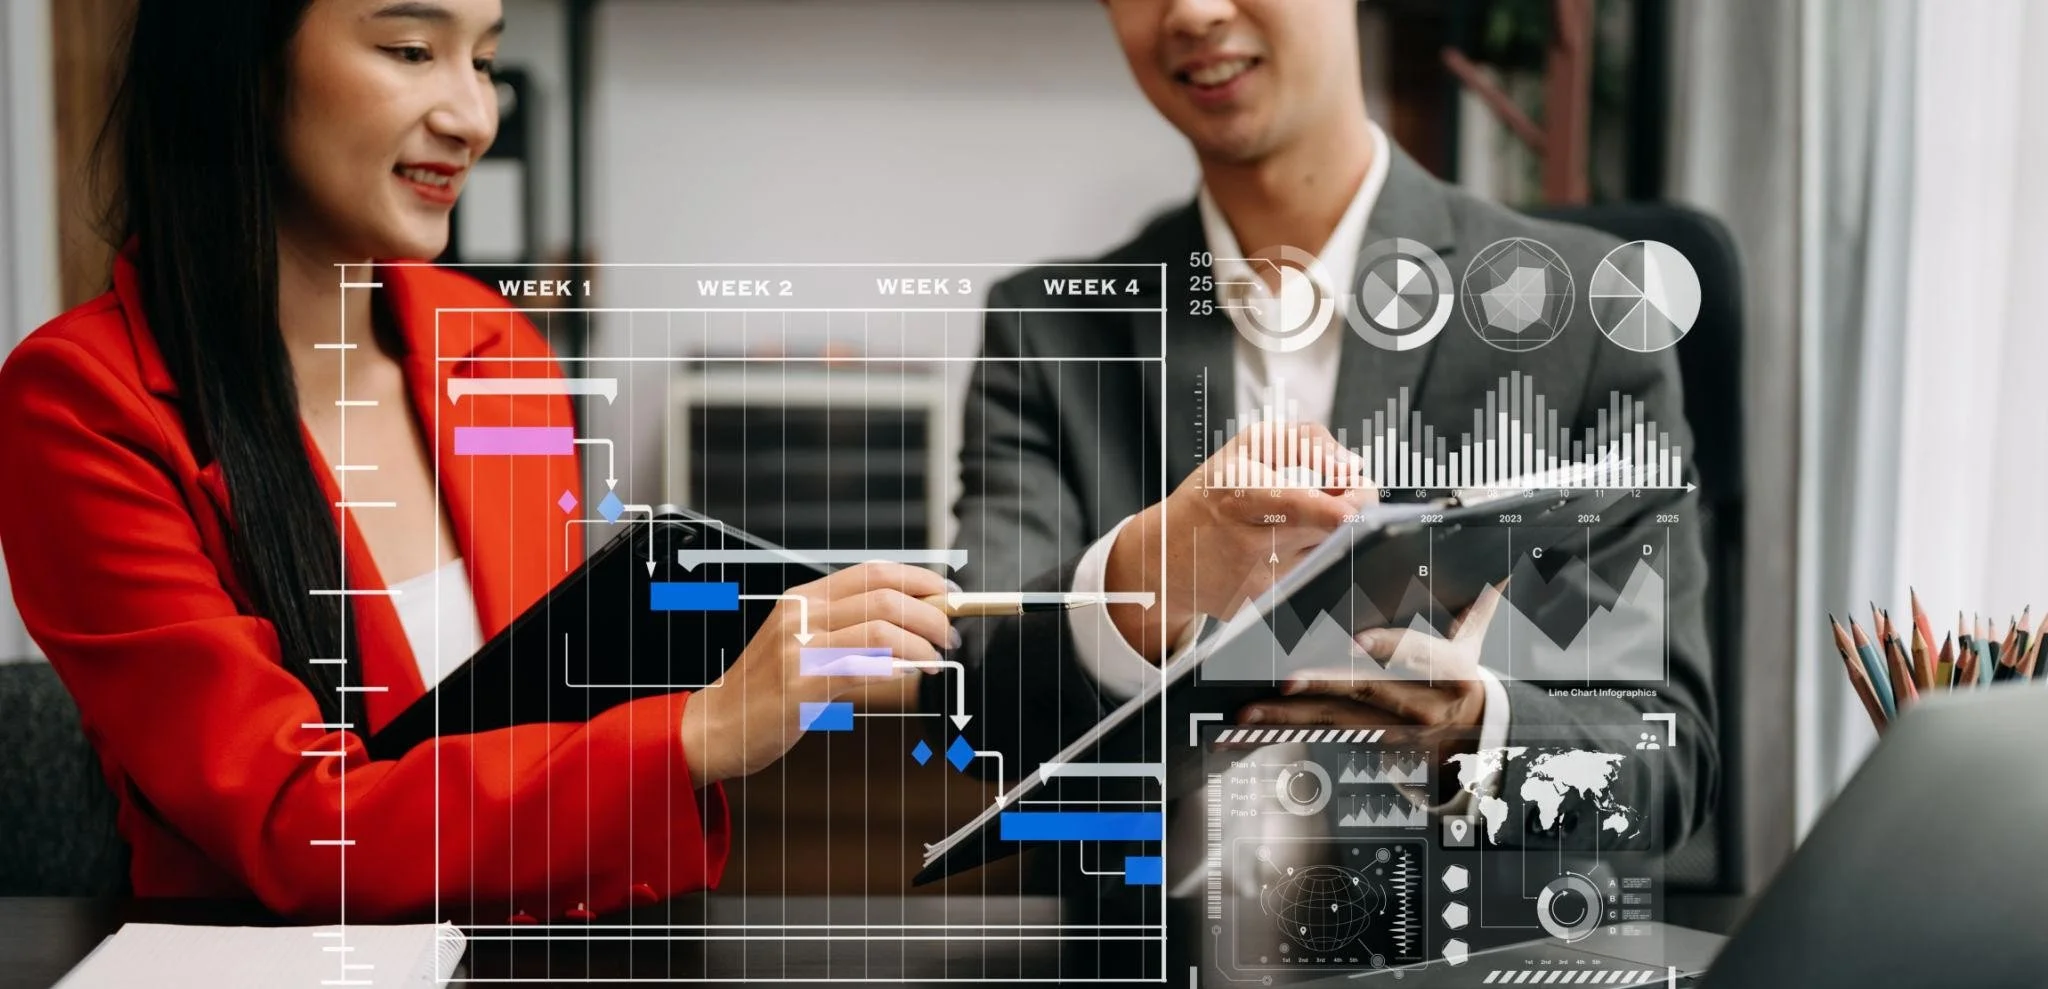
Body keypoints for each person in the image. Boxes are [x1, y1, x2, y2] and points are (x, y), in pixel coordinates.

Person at [0, 0, 949, 922]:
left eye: (486, 61)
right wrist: (699, 730)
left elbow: (556, 731)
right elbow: (297, 826)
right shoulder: (83, 403)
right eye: (412, 50)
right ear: (240, 58)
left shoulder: (499, 353)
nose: (473, 116)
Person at [943, 0, 1718, 880]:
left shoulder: (1582, 317)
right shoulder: (1046, 333)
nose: (1192, 12)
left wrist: (1474, 732)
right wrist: (1144, 580)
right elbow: (981, 715)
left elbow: (1667, 764)